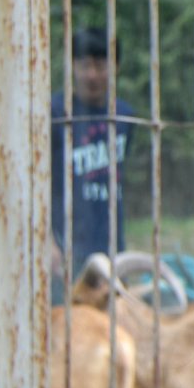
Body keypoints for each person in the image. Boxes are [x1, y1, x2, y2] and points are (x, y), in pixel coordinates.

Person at [51, 28, 132, 272]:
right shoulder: (54, 113)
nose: (92, 75)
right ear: (72, 66)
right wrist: (47, 240)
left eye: (101, 66)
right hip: (64, 244)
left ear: (116, 67)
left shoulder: (125, 116)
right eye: (85, 66)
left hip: (110, 239)